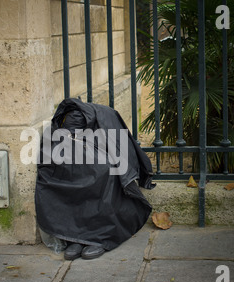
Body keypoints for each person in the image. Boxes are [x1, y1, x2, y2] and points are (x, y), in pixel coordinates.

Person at [35, 98, 155, 261]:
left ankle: (99, 237)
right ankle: (75, 237)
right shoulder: (59, 133)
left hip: (100, 162)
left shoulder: (102, 125)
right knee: (65, 176)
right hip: (78, 161)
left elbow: (118, 154)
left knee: (104, 173)